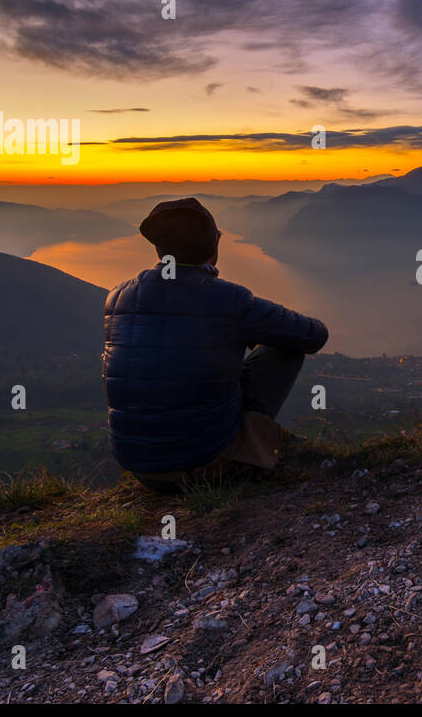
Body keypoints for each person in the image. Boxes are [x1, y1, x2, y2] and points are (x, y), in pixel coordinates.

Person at [102, 197, 328, 494]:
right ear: (214, 248)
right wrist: (247, 331)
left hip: (141, 469)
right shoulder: (228, 299)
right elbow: (313, 334)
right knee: (285, 345)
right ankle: (250, 445)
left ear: (159, 250)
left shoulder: (118, 297)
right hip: (204, 465)